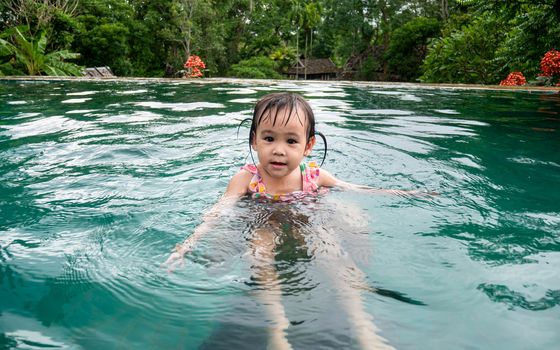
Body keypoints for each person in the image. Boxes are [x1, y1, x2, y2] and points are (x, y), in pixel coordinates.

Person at [165, 92, 413, 349]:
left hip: (306, 218)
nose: (279, 150)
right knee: (259, 253)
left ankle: (364, 329)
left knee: (333, 252)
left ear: (308, 145)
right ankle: (277, 329)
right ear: (254, 141)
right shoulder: (246, 179)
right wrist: (188, 244)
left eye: (291, 141)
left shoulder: (314, 176)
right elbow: (218, 212)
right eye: (269, 138)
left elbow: (355, 188)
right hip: (262, 221)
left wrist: (402, 194)